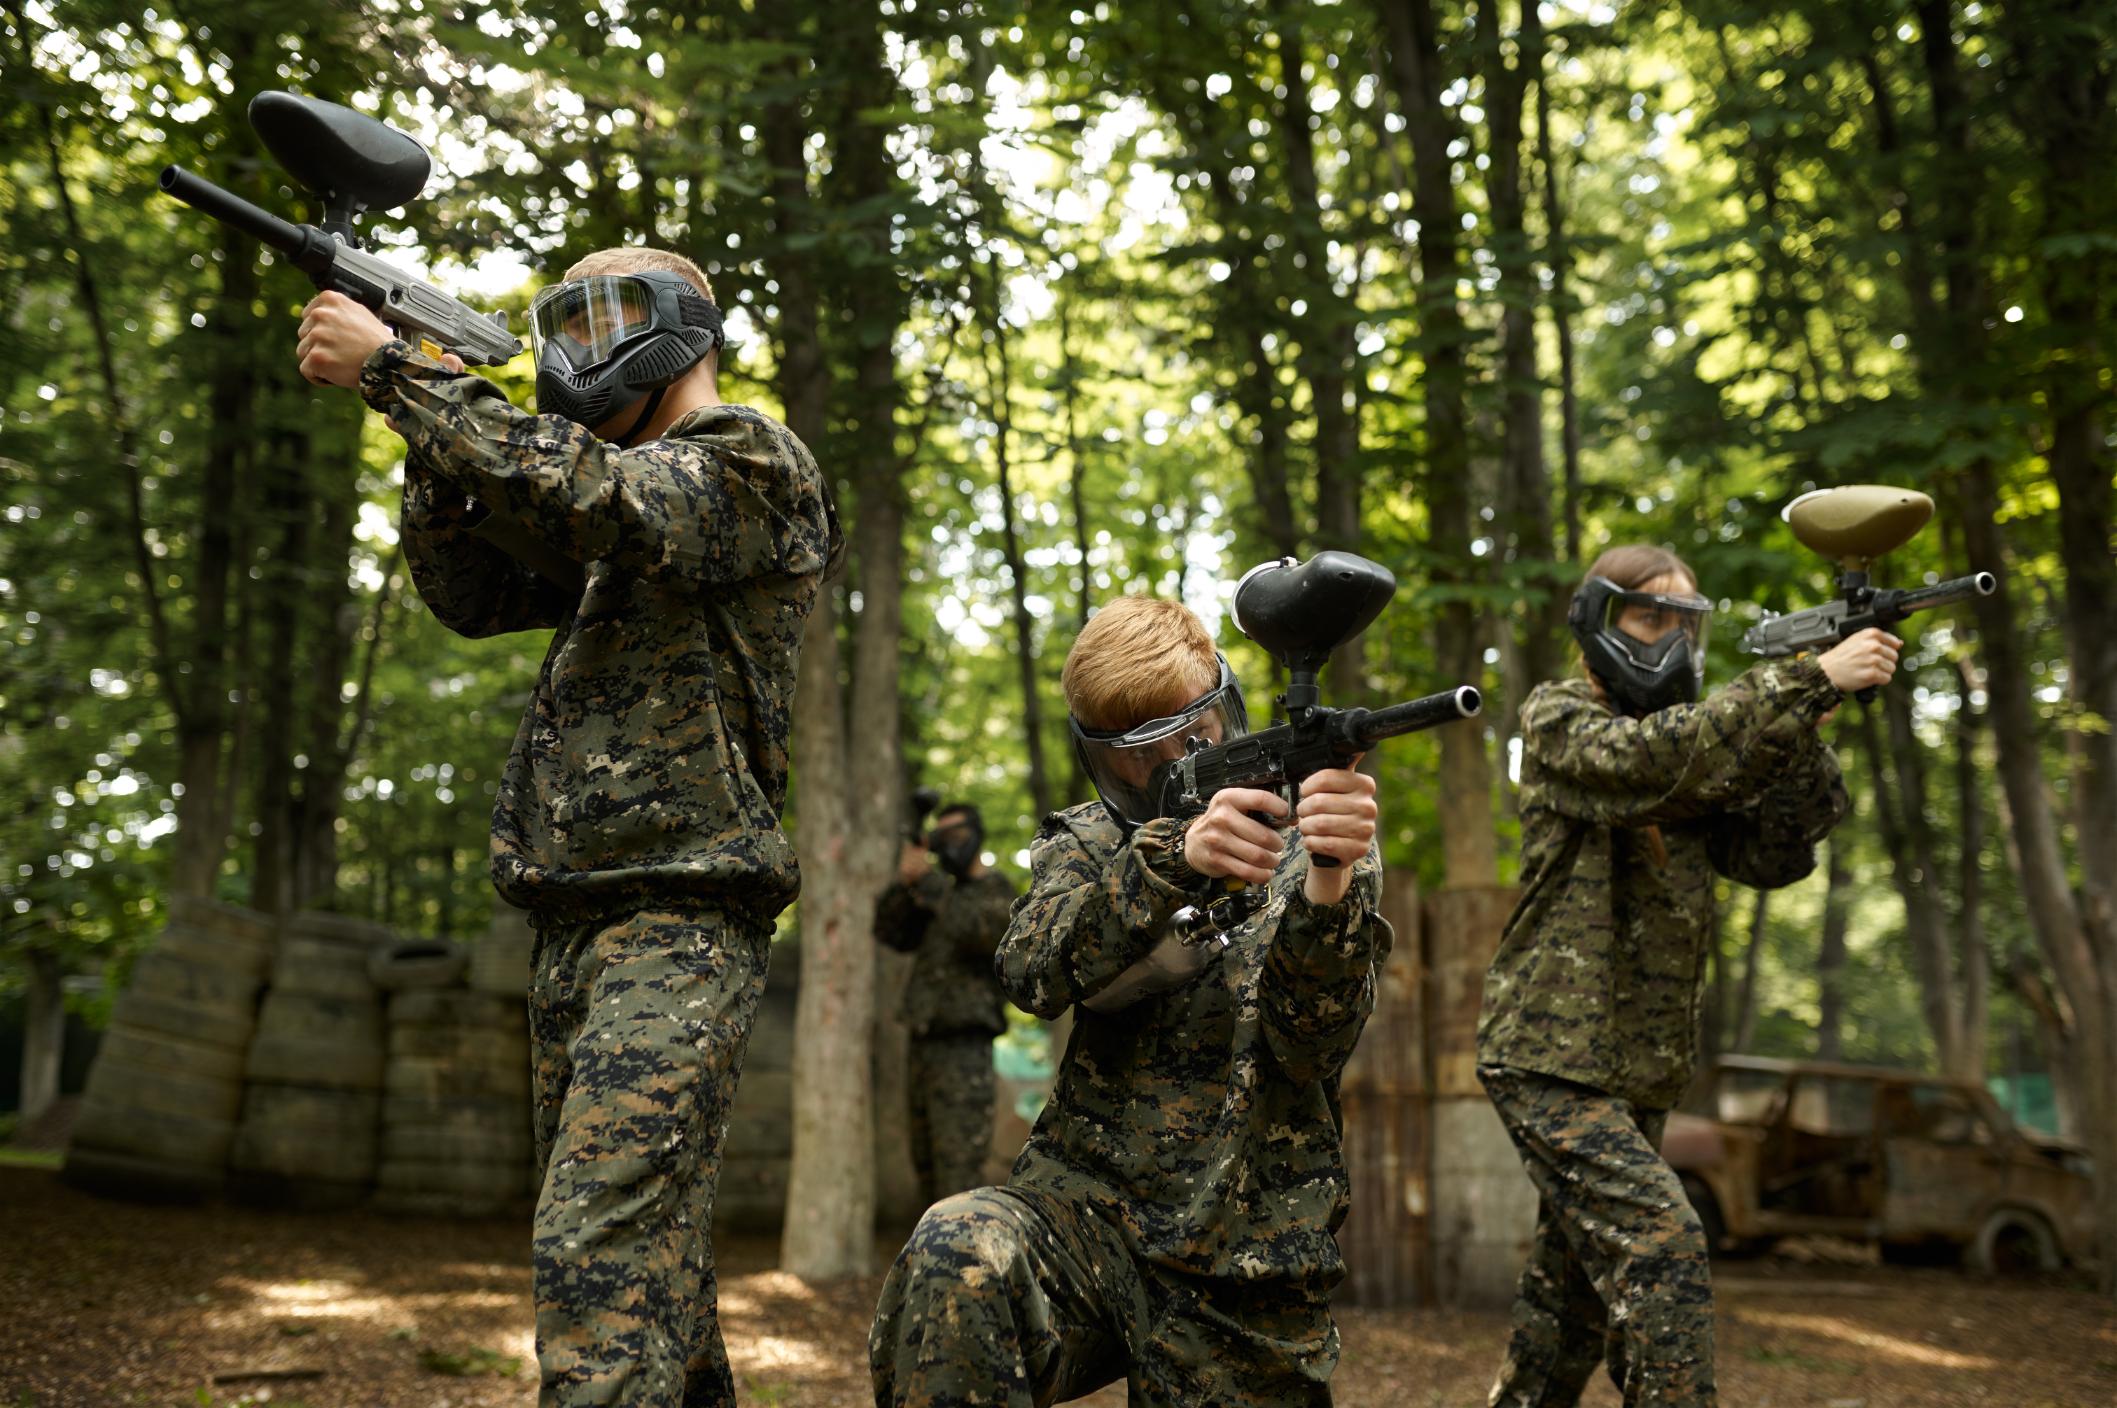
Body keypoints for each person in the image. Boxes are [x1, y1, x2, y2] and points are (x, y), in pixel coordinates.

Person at [294, 247, 838, 1407]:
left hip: (680, 916)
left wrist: (400, 376)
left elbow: (594, 493)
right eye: (567, 318)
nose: (585, 342)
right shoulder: (599, 509)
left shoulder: (749, 463)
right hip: (577, 920)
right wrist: (430, 419)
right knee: (654, 1282)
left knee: (593, 1260)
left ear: (685, 327)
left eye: (616, 314)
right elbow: (471, 591)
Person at [869, 595, 1390, 1406]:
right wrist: (1171, 859)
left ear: (1229, 708)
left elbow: (1311, 1046)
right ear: (1099, 762)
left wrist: (1328, 878)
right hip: (1085, 1219)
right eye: (1137, 759)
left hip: (1248, 1251)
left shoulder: (1319, 832)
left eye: (1194, 735)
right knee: (957, 1248)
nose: (1173, 768)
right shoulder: (1088, 842)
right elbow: (1029, 971)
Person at [1476, 543, 1900, 1408]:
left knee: (1568, 1311)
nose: (1668, 638)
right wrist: (1804, 682)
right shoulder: (1556, 719)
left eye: (1683, 621)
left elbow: (1771, 854)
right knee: (1662, 1248)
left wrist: (1802, 734)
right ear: (1597, 619)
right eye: (1647, 616)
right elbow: (1648, 767)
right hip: (1546, 1058)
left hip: (1638, 1068)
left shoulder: (1713, 744)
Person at [873, 802, 1018, 1206]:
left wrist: (930, 885)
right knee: (925, 1163)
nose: (948, 845)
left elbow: (980, 932)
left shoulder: (997, 891)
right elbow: (890, 931)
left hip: (965, 1047)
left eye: (954, 834)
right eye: (940, 837)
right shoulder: (937, 894)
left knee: (959, 1167)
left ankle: (964, 1264)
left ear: (975, 835)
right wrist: (906, 884)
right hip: (923, 1042)